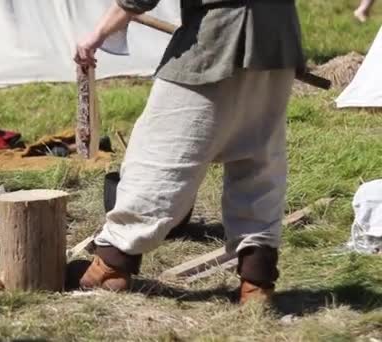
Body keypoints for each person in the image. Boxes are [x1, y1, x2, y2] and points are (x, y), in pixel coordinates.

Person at [73, 0, 305, 304]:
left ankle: (111, 265)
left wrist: (99, 33)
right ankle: (256, 281)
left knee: (158, 156)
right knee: (257, 161)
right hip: (278, 37)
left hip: (218, 38)